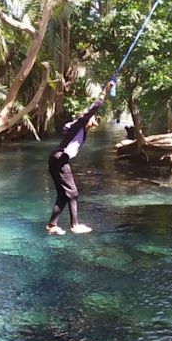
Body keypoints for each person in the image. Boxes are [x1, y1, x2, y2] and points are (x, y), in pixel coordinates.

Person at [46, 80, 115, 235]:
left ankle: (52, 225)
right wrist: (105, 91)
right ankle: (75, 225)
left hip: (56, 159)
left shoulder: (80, 129)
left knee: (64, 195)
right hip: (59, 159)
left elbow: (92, 119)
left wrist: (91, 121)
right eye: (91, 118)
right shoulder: (78, 125)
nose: (94, 119)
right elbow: (92, 110)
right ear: (85, 119)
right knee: (73, 192)